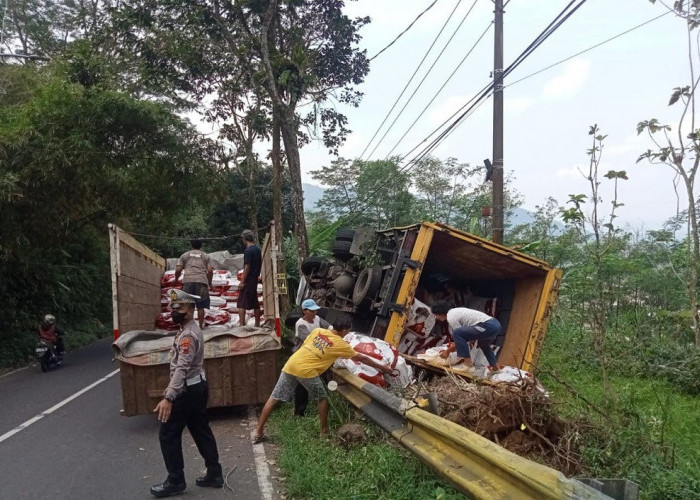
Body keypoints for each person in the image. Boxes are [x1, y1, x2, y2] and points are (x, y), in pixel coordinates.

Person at [254, 314, 392, 443]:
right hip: (307, 371)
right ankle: (323, 432)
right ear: (343, 331)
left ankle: (259, 432)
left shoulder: (318, 331)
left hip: (292, 363)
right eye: (348, 331)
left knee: (274, 397)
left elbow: (307, 345)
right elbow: (361, 357)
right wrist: (383, 367)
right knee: (322, 398)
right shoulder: (340, 344)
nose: (348, 334)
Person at [150, 289, 223, 498]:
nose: (175, 311)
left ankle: (175, 481)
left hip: (187, 391)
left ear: (191, 309)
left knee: (168, 434)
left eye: (180, 307)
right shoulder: (187, 329)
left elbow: (182, 368)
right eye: (173, 307)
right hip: (197, 387)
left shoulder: (188, 336)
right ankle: (214, 474)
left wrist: (168, 397)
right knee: (200, 430)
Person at [430, 301, 501, 372]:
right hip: (495, 324)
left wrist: (447, 351)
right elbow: (464, 340)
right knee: (483, 345)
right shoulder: (456, 311)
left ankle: (468, 365)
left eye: (436, 315)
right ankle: (495, 369)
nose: (436, 318)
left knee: (457, 333)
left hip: (488, 326)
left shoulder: (451, 317)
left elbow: (459, 336)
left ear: (440, 313)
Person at [293, 299, 331, 417]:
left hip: (316, 355)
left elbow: (329, 327)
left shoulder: (317, 319)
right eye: (312, 311)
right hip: (303, 357)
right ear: (304, 311)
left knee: (321, 380)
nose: (314, 313)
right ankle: (299, 412)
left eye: (315, 310)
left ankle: (320, 406)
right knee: (302, 386)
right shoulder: (301, 324)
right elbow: (310, 341)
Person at [175, 238, 213, 330]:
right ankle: (200, 327)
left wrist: (176, 279)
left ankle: (188, 327)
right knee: (200, 306)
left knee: (187, 305)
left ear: (191, 245)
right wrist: (210, 283)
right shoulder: (206, 256)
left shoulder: (184, 255)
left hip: (188, 281)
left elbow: (178, 270)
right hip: (201, 281)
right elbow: (210, 271)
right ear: (201, 246)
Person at [237, 229, 262, 327]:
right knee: (255, 302)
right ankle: (257, 324)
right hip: (254, 279)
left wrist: (242, 281)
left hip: (248, 279)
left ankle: (242, 325)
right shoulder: (257, 249)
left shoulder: (248, 251)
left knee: (241, 303)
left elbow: (247, 267)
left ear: (245, 239)